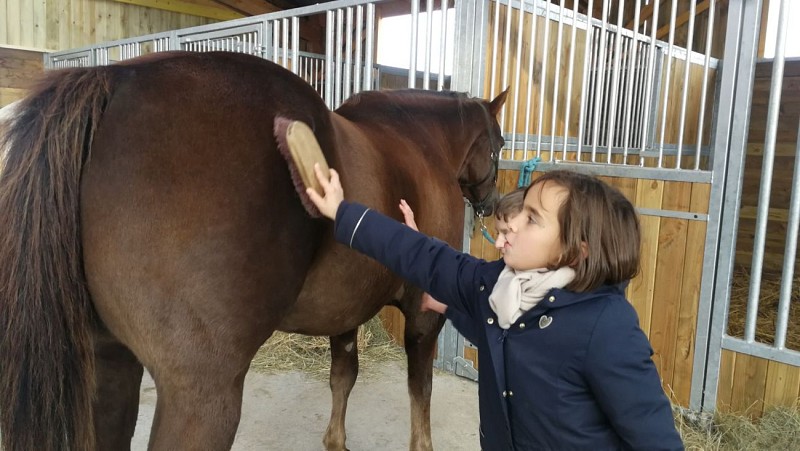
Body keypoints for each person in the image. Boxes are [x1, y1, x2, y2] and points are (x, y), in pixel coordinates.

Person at [307, 165, 683, 450]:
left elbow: (653, 435)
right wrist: (343, 212)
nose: (514, 224)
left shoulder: (607, 326)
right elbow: (427, 258)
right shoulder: (494, 284)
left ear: (576, 249)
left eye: (532, 218)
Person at [398, 187, 526, 314]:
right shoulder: (499, 274)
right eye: (498, 233)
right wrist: (420, 244)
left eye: (506, 233)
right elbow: (460, 271)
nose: (497, 244)